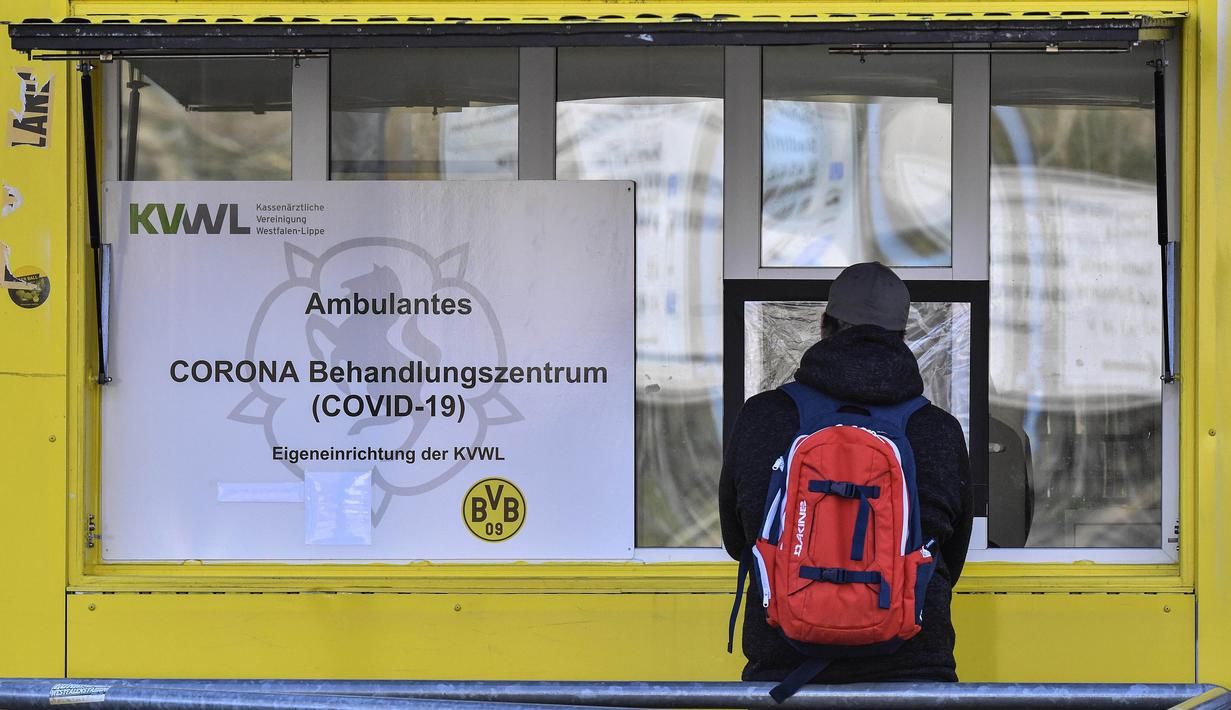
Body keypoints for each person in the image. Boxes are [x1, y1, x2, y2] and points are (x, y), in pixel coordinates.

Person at [719, 261, 973, 684]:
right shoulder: (937, 429)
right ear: (903, 337)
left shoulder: (763, 415)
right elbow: (951, 557)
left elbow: (737, 539)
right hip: (912, 673)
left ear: (823, 325)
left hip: (786, 670)